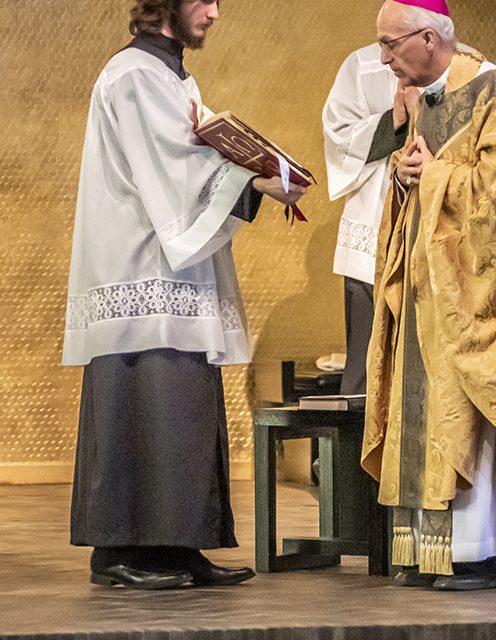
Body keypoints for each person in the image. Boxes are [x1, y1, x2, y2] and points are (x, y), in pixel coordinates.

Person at [63, 0, 305, 589]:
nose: (215, 13)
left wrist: (246, 165)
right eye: (205, 0)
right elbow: (171, 168)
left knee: (186, 407)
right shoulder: (134, 74)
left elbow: (188, 158)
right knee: (141, 402)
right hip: (140, 269)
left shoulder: (171, 75)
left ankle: (178, 548)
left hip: (174, 273)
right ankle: (122, 552)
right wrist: (255, 181)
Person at [360, 0, 496, 591]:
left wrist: (434, 177)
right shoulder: (424, 99)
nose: (384, 58)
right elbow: (420, 177)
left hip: (477, 294)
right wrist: (405, 176)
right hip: (429, 290)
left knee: (468, 404)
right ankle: (429, 552)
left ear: (429, 38)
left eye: (390, 45)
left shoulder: (489, 92)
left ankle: (480, 551)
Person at [323, 44, 423, 395]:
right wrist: (394, 120)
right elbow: (337, 140)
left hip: (434, 245)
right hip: (370, 243)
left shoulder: (467, 70)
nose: (385, 53)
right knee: (367, 376)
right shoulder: (363, 65)